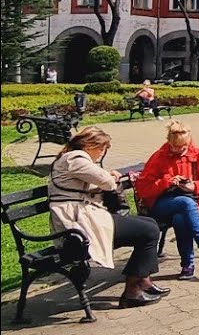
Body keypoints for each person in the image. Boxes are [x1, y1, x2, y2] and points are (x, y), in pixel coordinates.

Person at [48, 127, 169, 308]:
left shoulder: (72, 158)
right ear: (90, 145)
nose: (102, 153)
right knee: (149, 230)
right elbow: (107, 182)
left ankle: (143, 280)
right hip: (77, 224)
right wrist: (111, 175)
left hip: (84, 216)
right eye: (102, 148)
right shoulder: (75, 158)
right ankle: (132, 291)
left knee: (149, 223)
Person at [135, 121, 199, 280]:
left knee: (181, 218)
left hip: (190, 201)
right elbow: (143, 188)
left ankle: (187, 266)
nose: (179, 151)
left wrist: (193, 186)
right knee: (186, 204)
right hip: (161, 204)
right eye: (175, 147)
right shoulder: (158, 157)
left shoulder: (198, 155)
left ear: (189, 142)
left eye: (183, 147)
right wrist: (166, 182)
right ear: (168, 141)